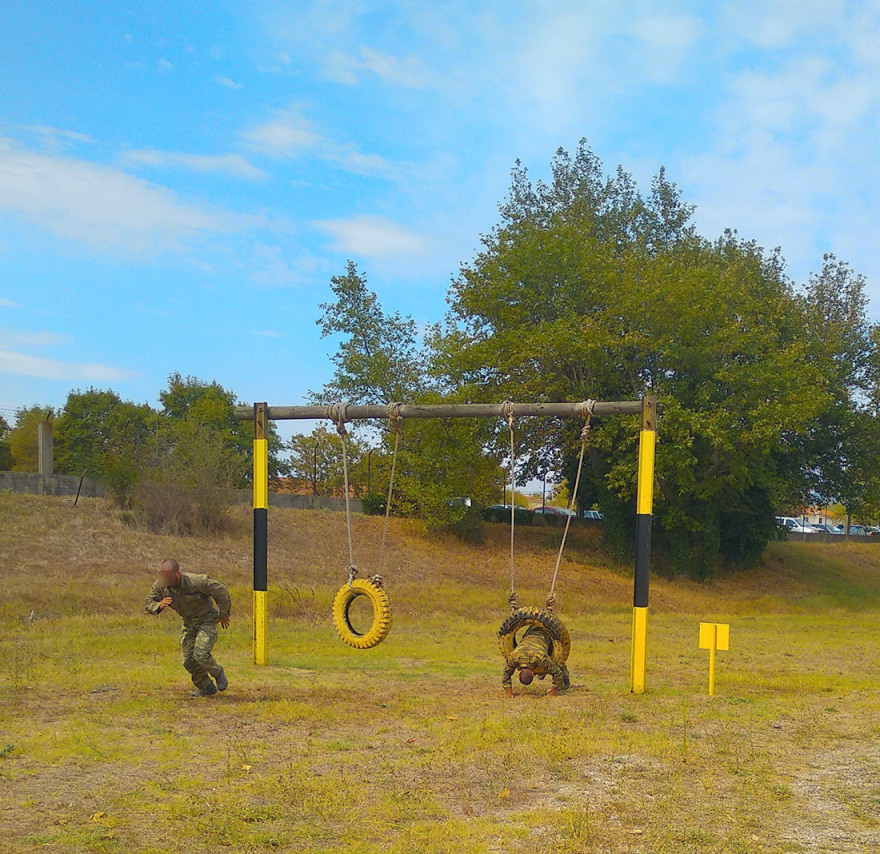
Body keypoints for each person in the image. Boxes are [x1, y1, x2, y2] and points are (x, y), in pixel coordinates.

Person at [145, 559, 231, 697]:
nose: (165, 579)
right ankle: (206, 687)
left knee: (200, 654)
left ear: (177, 573)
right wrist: (158, 605)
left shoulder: (196, 581)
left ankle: (218, 673)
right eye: (163, 575)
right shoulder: (160, 586)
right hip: (188, 623)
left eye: (168, 576)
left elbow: (220, 591)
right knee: (188, 661)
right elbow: (148, 603)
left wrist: (223, 614)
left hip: (206, 620)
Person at [502, 624, 570, 697]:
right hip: (531, 632)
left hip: (546, 634)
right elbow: (506, 674)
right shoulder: (514, 657)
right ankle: (565, 682)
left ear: (532, 673)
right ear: (520, 673)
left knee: (557, 660)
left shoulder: (540, 658)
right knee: (552, 664)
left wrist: (552, 694)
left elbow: (557, 672)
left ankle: (565, 683)